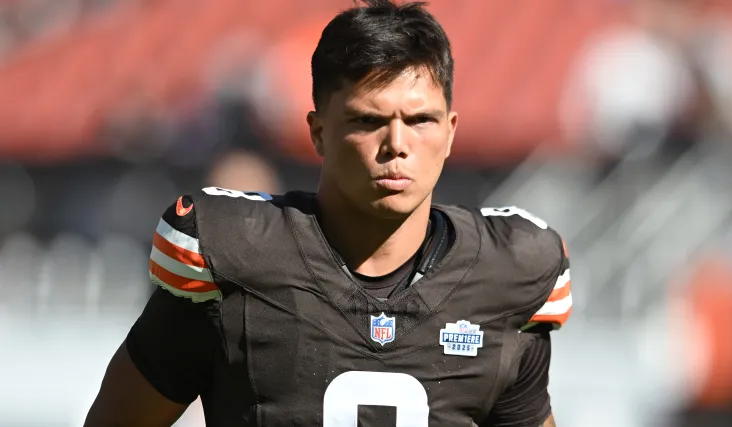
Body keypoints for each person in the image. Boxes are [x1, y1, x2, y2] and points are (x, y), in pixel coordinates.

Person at [84, 1, 572, 426]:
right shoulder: (237, 259)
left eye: (420, 119)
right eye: (369, 120)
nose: (397, 144)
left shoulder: (507, 272)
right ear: (319, 132)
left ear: (450, 131)